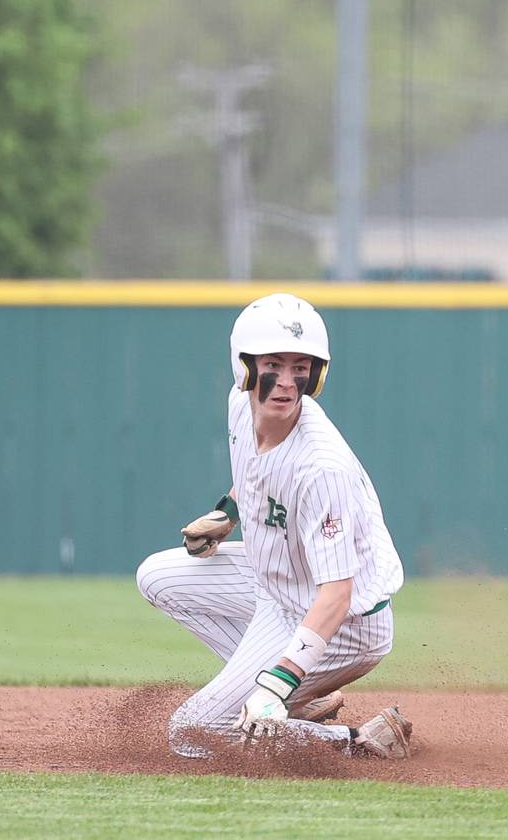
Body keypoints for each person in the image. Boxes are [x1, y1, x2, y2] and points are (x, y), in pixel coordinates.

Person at [136, 292, 410, 760]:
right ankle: (300, 697)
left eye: (301, 367)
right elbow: (259, 474)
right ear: (244, 368)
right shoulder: (241, 405)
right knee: (157, 577)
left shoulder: (321, 467)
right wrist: (228, 512)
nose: (287, 382)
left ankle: (361, 742)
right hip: (278, 587)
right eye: (274, 365)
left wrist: (277, 680)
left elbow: (337, 595)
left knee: (191, 732)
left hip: (343, 623)